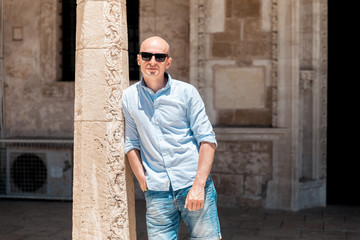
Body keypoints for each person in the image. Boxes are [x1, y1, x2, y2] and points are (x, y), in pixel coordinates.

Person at [122, 36, 222, 240]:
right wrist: (143, 179)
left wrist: (198, 185)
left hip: (192, 185)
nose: (152, 62)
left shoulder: (187, 93)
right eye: (147, 56)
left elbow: (207, 140)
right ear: (138, 59)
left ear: (168, 62)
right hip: (157, 190)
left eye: (159, 57)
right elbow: (131, 142)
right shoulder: (129, 97)